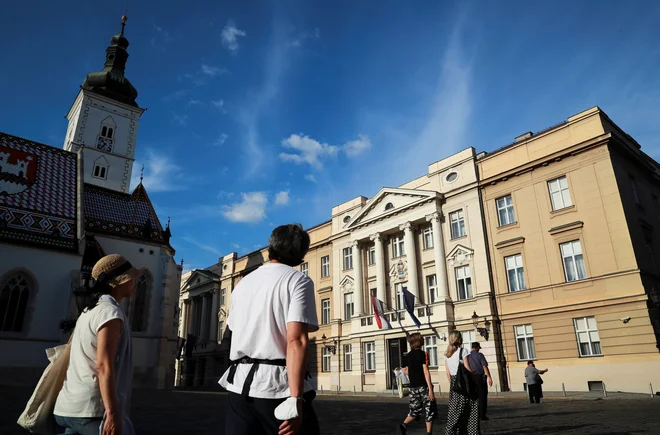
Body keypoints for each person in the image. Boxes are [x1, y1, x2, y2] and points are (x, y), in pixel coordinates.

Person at [219, 223, 320, 435]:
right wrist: (296, 399)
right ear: (300, 256)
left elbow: (233, 331)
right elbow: (296, 341)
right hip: (276, 387)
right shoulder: (298, 281)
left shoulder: (242, 285)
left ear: (270, 248)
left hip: (239, 387)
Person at [54, 254, 140, 435]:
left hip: (68, 406)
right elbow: (103, 365)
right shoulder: (110, 312)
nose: (135, 280)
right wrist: (113, 413)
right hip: (91, 409)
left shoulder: (88, 311)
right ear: (118, 281)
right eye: (131, 277)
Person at [399, 333, 437, 435]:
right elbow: (426, 371)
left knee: (414, 411)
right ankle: (429, 433)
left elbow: (407, 371)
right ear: (419, 342)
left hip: (412, 387)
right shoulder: (422, 354)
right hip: (423, 386)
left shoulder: (408, 355)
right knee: (429, 410)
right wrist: (430, 389)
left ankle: (404, 424)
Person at [444, 332, 480, 435]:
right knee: (471, 410)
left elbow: (448, 373)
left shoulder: (447, 354)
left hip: (454, 386)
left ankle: (451, 432)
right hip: (464, 384)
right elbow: (467, 368)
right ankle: (471, 432)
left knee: (454, 413)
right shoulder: (463, 351)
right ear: (460, 339)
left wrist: (453, 385)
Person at [466, 342, 493, 421]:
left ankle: (474, 415)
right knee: (482, 397)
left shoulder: (468, 356)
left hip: (471, 377)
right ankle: (482, 415)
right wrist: (489, 377)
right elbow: (484, 366)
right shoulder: (480, 355)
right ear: (477, 348)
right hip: (480, 377)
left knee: (473, 397)